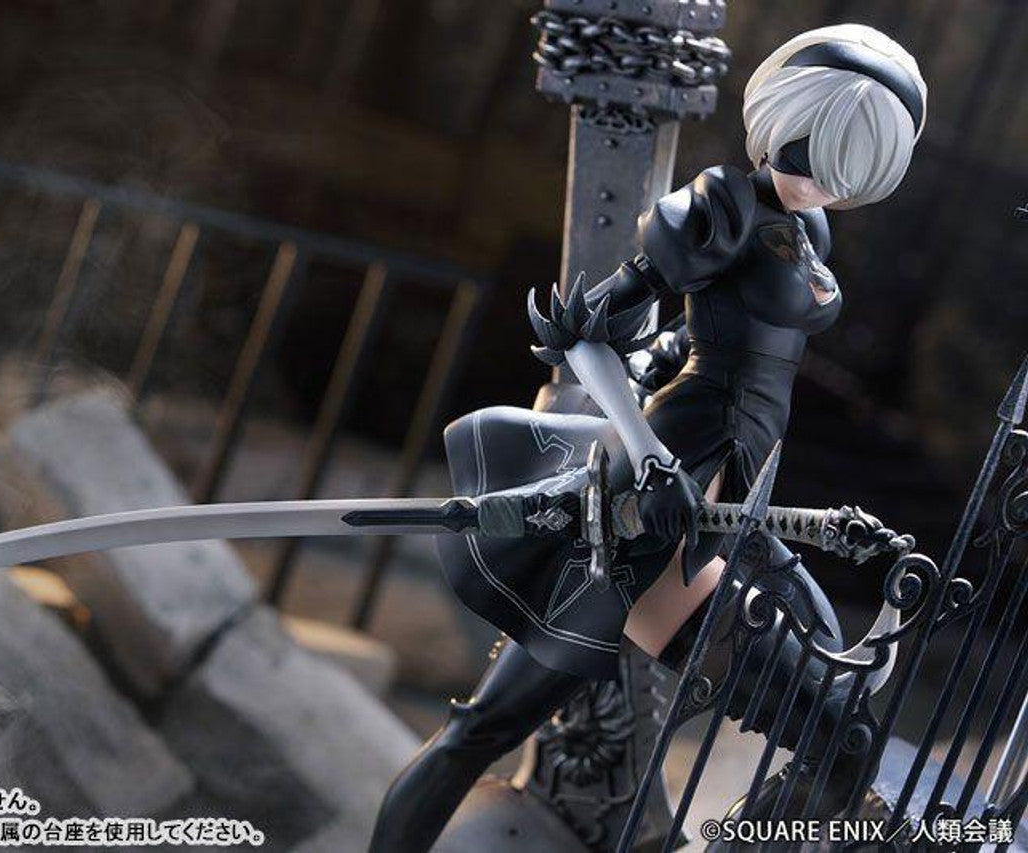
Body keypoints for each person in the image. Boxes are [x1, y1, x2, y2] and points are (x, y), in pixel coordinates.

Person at [370, 23, 927, 852]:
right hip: (659, 493)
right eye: (818, 156)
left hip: (732, 493)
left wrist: (673, 352)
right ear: (782, 122)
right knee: (483, 727)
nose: (825, 183)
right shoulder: (718, 207)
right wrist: (651, 454)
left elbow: (724, 335)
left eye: (851, 171)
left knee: (841, 726)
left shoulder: (811, 228)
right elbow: (585, 334)